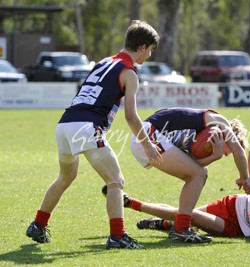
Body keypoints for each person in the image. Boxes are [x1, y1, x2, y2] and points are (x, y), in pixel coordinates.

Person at [25, 20, 162, 249]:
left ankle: (38, 224)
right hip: (86, 128)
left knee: (65, 177)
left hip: (65, 124)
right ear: (142, 47)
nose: (148, 56)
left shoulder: (102, 63)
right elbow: (131, 116)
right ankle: (118, 237)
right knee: (116, 181)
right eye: (149, 50)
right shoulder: (129, 73)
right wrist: (147, 145)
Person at [103, 148, 250, 239]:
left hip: (238, 228)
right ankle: (162, 224)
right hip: (232, 204)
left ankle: (130, 202)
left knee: (187, 215)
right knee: (185, 215)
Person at [128, 107, 250, 243]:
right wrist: (244, 178)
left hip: (147, 137)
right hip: (148, 136)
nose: (228, 154)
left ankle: (181, 226)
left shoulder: (199, 131)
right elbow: (239, 153)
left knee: (199, 173)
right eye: (230, 149)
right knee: (198, 175)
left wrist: (215, 156)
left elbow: (193, 164)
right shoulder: (220, 122)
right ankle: (181, 228)